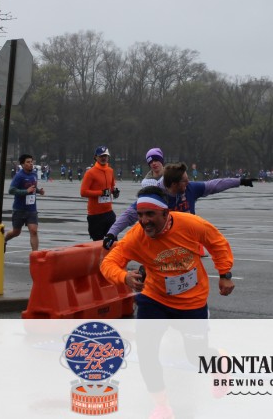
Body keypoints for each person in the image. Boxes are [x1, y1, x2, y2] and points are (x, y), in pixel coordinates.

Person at [100, 186, 234, 417]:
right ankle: (161, 405)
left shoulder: (191, 224)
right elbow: (108, 263)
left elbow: (217, 242)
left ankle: (220, 361)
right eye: (140, 215)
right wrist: (124, 277)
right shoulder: (136, 237)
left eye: (150, 214)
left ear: (165, 213)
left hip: (192, 301)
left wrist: (225, 274)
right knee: (147, 352)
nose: (144, 221)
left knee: (195, 356)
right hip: (155, 299)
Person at [104, 161, 253, 249]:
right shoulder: (154, 196)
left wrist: (240, 181)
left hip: (187, 244)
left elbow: (214, 185)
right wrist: (111, 234)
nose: (188, 183)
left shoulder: (190, 189)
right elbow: (129, 215)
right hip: (162, 246)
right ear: (174, 184)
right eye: (184, 181)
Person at [80, 146, 120, 241]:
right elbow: (83, 192)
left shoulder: (110, 171)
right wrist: (101, 193)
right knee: (98, 244)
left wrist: (114, 192)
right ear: (96, 157)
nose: (103, 158)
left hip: (109, 213)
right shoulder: (90, 173)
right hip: (95, 215)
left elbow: (111, 187)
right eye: (101, 156)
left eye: (105, 156)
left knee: (113, 242)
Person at [5, 153, 44, 252]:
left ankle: (35, 255)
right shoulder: (19, 176)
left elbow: (33, 187)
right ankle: (3, 240)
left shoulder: (34, 174)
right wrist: (26, 191)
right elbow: (11, 190)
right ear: (22, 164)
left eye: (31, 162)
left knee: (34, 231)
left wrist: (39, 191)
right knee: (16, 232)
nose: (31, 164)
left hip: (31, 209)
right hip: (19, 209)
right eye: (28, 162)